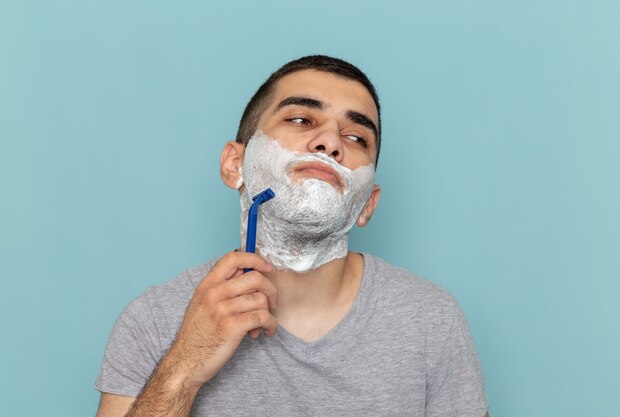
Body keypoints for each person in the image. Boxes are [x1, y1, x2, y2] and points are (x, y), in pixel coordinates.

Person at [94, 55, 489, 417]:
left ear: (368, 204)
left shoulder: (430, 320)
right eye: (301, 120)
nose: (330, 142)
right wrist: (185, 366)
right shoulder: (154, 320)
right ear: (236, 165)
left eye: (356, 137)